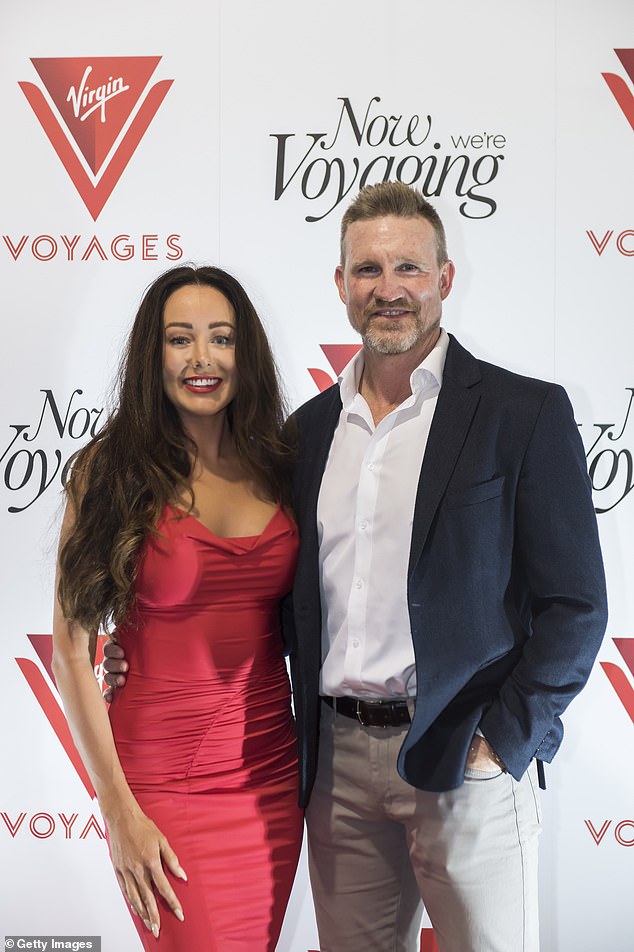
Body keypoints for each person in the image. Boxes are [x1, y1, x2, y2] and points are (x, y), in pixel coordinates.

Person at [106, 183, 608, 952]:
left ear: (445, 277)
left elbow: (577, 605)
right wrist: (140, 647)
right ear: (341, 287)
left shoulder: (522, 414)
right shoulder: (302, 436)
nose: (388, 287)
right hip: (333, 765)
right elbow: (268, 593)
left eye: (408, 266)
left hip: (465, 754)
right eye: (367, 269)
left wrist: (505, 741)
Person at [53, 265, 303, 951]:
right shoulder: (107, 470)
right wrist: (117, 810)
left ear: (244, 353)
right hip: (162, 785)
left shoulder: (281, 464)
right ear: (151, 354)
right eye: (179, 339)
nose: (202, 359)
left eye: (221, 339)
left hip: (272, 779)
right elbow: (71, 652)